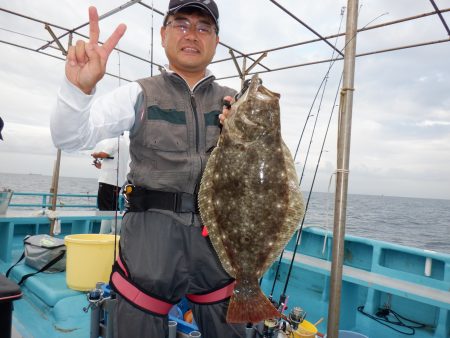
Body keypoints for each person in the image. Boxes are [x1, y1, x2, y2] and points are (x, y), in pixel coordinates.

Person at [50, 1, 245, 337]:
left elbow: (260, 174)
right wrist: (78, 89)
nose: (191, 34)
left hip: (218, 242)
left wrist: (244, 137)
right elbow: (69, 138)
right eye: (181, 24)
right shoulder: (138, 93)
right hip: (149, 240)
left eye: (203, 27)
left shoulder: (237, 102)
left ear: (216, 40)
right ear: (163, 34)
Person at [91, 135, 129, 234]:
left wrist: (95, 154)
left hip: (108, 181)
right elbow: (114, 161)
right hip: (116, 181)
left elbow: (103, 154)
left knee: (105, 209)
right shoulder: (124, 143)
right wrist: (101, 166)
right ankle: (115, 233)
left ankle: (104, 235)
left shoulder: (114, 140)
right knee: (113, 208)